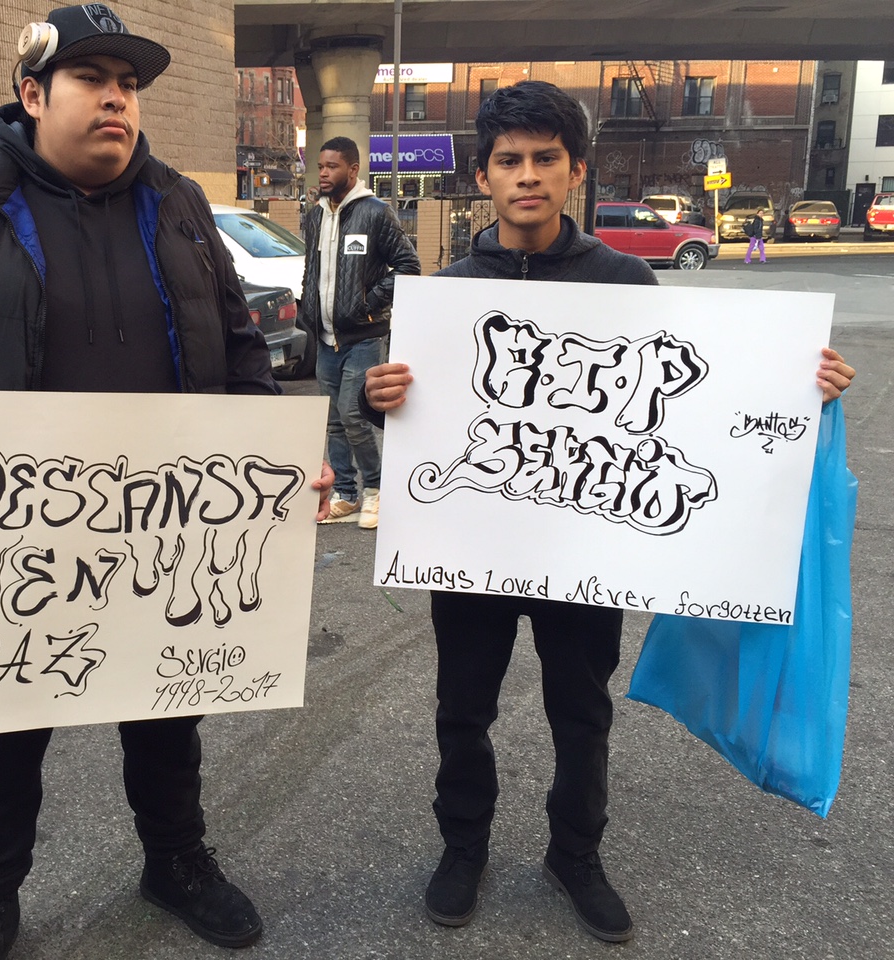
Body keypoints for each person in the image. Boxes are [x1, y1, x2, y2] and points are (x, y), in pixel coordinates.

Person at [0, 6, 332, 957]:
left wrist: (278, 457)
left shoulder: (178, 204)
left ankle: (176, 860)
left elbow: (237, 344)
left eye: (130, 84)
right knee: (4, 726)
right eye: (93, 79)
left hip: (163, 531)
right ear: (31, 94)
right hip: (14, 549)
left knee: (165, 711)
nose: (116, 99)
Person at [362, 81, 855, 944]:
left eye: (545, 159)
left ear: (575, 170)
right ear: (483, 176)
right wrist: (380, 398)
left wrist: (798, 386)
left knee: (581, 709)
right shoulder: (450, 292)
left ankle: (575, 853)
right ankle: (463, 846)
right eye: (509, 161)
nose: (527, 176)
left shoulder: (626, 280)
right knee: (462, 707)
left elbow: (697, 391)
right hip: (474, 543)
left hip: (592, 546)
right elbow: (415, 415)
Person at [300, 136, 421, 529]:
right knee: (332, 420)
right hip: (326, 337)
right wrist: (309, 309)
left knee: (354, 416)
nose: (323, 173)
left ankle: (376, 489)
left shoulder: (374, 213)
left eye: (332, 166)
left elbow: (408, 265)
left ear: (352, 170)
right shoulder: (315, 215)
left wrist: (367, 303)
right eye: (320, 166)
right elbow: (313, 270)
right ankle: (346, 493)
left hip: (364, 335)